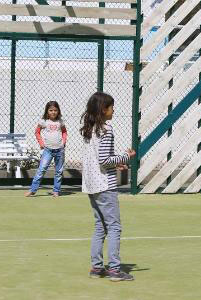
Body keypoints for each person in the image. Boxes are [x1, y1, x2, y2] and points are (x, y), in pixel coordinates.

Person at [80, 92, 135, 282]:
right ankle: (114, 269)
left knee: (100, 226)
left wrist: (116, 164)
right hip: (105, 185)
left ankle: (96, 268)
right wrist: (125, 157)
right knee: (114, 227)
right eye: (111, 107)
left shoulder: (90, 129)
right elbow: (104, 160)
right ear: (104, 109)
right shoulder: (106, 129)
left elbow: (97, 159)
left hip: (91, 184)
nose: (113, 110)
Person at [25, 101, 68, 197]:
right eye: (51, 110)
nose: (53, 112)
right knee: (41, 170)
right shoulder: (44, 121)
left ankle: (56, 191)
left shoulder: (60, 121)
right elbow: (37, 132)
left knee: (58, 171)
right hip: (48, 150)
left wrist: (63, 142)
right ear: (47, 111)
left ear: (58, 111)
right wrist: (41, 143)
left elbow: (64, 132)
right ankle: (33, 189)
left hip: (60, 150)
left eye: (55, 110)